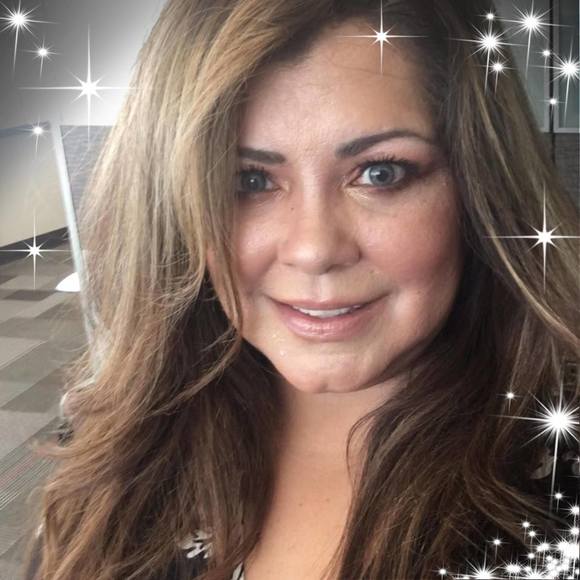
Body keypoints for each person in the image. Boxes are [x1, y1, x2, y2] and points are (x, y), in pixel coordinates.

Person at [21, 0, 579, 578]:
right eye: (248, 180)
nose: (314, 249)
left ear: (477, 187)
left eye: (381, 173)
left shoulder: (558, 483)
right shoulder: (115, 434)